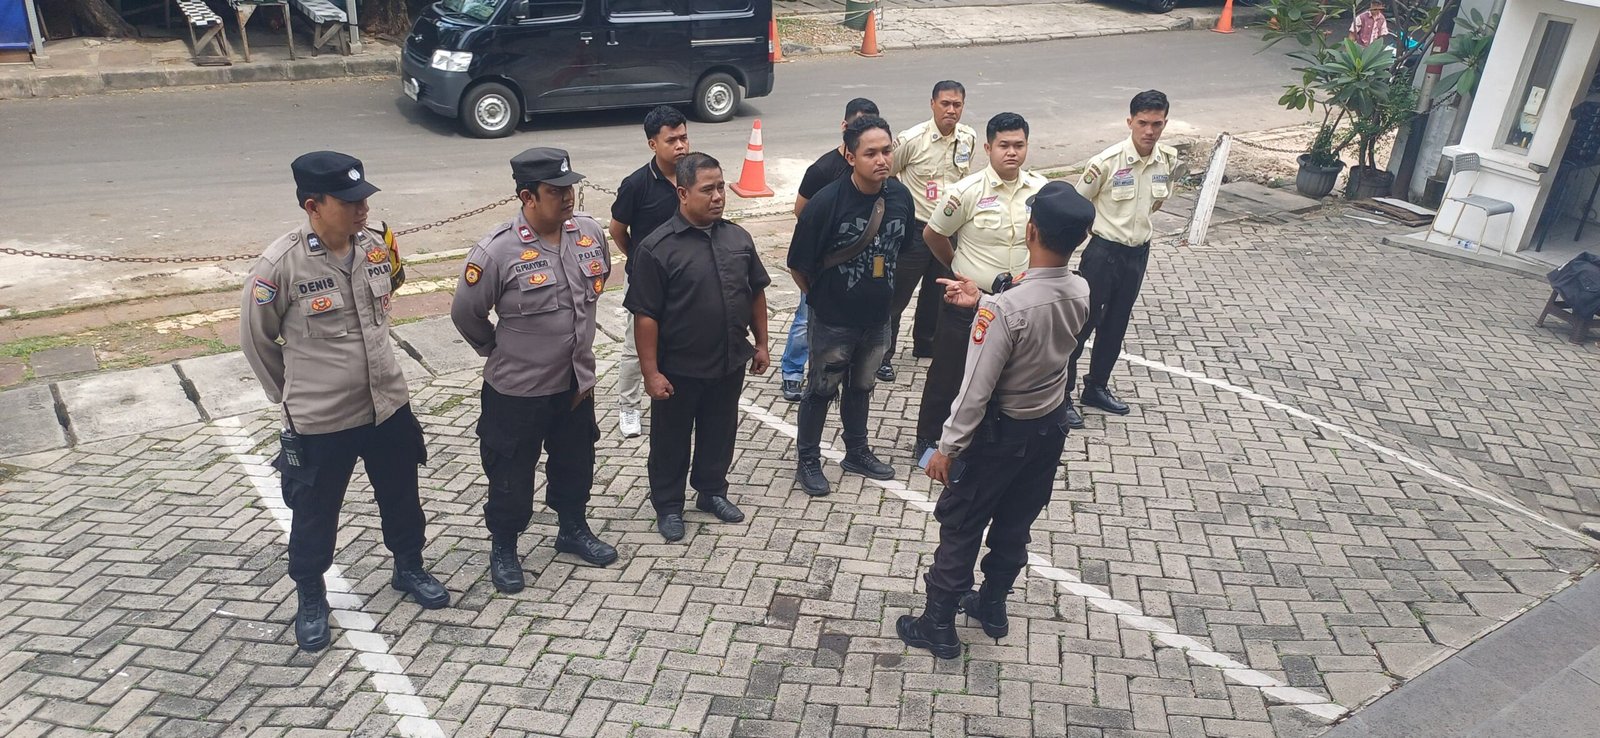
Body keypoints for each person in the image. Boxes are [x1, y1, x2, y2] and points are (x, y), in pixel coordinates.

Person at [241, 150, 450, 652]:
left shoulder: (376, 247)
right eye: (349, 201)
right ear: (313, 205)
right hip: (322, 417)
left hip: (387, 404)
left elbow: (390, 292)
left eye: (364, 198)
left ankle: (409, 566)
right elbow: (256, 339)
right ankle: (311, 595)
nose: (363, 208)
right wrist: (291, 395)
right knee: (315, 512)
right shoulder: (281, 265)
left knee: (402, 495)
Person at [897, 181, 1095, 659]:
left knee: (962, 524)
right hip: (1047, 429)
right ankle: (992, 606)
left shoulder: (1007, 310)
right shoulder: (1080, 288)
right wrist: (984, 301)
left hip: (998, 436)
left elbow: (974, 391)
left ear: (1031, 231)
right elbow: (1034, 318)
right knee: (1015, 522)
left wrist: (947, 449)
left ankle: (937, 625)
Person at [450, 147, 619, 595]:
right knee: (510, 474)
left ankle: (572, 528)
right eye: (555, 191)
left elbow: (596, 287)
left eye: (570, 188)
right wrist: (496, 349)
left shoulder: (588, 232)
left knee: (576, 461)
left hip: (575, 383)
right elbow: (466, 313)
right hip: (518, 390)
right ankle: (504, 547)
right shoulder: (497, 251)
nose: (568, 197)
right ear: (528, 196)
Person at [626, 152, 771, 541]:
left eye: (721, 187)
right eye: (708, 190)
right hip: (678, 369)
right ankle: (669, 505)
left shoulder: (738, 238)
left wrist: (761, 343)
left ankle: (711, 492)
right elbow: (645, 316)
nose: (718, 196)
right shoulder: (657, 248)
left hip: (728, 361)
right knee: (670, 440)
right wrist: (651, 373)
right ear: (682, 193)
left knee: (720, 432)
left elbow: (756, 291)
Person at [787, 115, 915, 497]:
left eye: (887, 151)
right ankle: (808, 459)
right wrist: (823, 301)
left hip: (877, 319)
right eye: (870, 153)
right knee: (821, 388)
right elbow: (798, 264)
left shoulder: (900, 197)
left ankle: (856, 451)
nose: (881, 160)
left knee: (862, 385)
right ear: (850, 156)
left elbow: (901, 249)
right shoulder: (826, 203)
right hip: (833, 320)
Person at [912, 113, 1047, 461]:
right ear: (988, 148)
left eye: (1019, 145)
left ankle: (985, 438)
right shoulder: (966, 191)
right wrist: (957, 267)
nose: (1012, 152)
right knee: (949, 371)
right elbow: (933, 233)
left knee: (1007, 371)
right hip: (969, 300)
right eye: (1004, 145)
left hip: (1016, 301)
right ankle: (928, 439)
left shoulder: (1040, 190)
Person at [1065, 90, 1180, 428]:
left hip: (1137, 253)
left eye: (1157, 124)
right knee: (1081, 325)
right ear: (1130, 122)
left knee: (1115, 325)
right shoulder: (1107, 162)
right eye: (1143, 123)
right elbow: (1076, 205)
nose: (1149, 131)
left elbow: (1156, 202)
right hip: (1103, 253)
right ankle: (1062, 395)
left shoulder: (1167, 160)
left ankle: (1096, 387)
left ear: (1165, 123)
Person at [782, 97, 881, 402]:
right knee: (805, 318)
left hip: (859, 273)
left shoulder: (878, 169)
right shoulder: (822, 170)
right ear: (844, 127)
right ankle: (792, 372)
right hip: (821, 265)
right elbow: (802, 212)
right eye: (858, 125)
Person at [881, 80, 977, 382]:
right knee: (897, 295)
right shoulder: (912, 140)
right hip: (917, 231)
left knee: (938, 292)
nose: (951, 110)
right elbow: (887, 174)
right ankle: (882, 355)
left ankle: (926, 344)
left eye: (957, 105)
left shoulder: (968, 137)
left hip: (949, 231)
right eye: (945, 104)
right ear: (932, 104)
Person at [611, 106, 692, 438]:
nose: (680, 146)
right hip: (646, 283)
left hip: (688, 278)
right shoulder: (636, 185)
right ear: (653, 144)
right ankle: (628, 406)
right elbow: (618, 230)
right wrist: (638, 260)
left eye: (684, 137)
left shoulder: (695, 175)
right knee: (636, 347)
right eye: (671, 140)